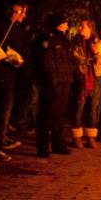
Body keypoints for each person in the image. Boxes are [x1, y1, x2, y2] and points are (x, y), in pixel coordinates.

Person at [34, 13, 75, 158]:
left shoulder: (64, 40)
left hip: (65, 81)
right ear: (57, 24)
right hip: (53, 83)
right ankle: (43, 146)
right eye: (64, 22)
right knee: (47, 114)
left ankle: (58, 143)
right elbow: (46, 62)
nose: (66, 25)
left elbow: (69, 61)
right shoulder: (48, 39)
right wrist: (52, 79)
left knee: (59, 115)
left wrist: (70, 75)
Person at [71, 19, 101, 149]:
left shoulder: (97, 42)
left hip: (95, 77)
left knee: (93, 107)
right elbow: (74, 57)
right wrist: (82, 61)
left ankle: (90, 135)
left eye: (83, 27)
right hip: (81, 77)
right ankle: (76, 135)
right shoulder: (75, 42)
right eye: (79, 26)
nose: (80, 29)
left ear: (90, 29)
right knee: (79, 106)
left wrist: (97, 56)